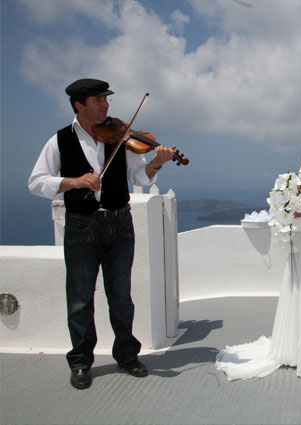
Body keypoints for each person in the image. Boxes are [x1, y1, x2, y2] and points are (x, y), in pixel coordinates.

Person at [28, 78, 176, 390]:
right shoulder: (59, 141)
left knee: (121, 297)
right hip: (82, 226)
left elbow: (139, 176)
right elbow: (37, 182)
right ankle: (81, 362)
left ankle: (126, 355)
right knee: (80, 299)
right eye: (98, 101)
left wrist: (157, 165)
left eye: (106, 100)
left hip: (120, 223)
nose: (106, 106)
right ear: (79, 105)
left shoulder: (119, 136)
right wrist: (74, 181)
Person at [215, 106, 301, 380]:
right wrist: (292, 208)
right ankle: (295, 349)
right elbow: (300, 191)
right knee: (297, 281)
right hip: (300, 224)